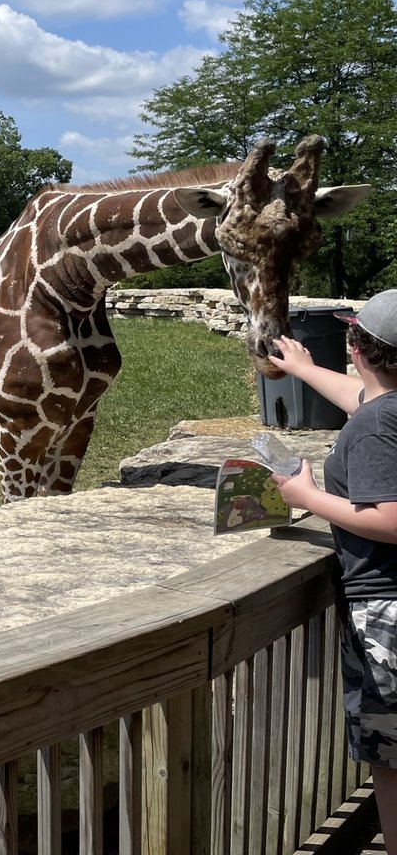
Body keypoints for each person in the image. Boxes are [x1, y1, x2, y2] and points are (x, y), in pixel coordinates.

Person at [269, 289, 397, 853]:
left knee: (390, 754)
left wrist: (308, 497)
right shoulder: (385, 410)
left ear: (356, 347)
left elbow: (390, 518)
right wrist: (301, 368)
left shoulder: (375, 426)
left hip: (386, 611)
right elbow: (362, 395)